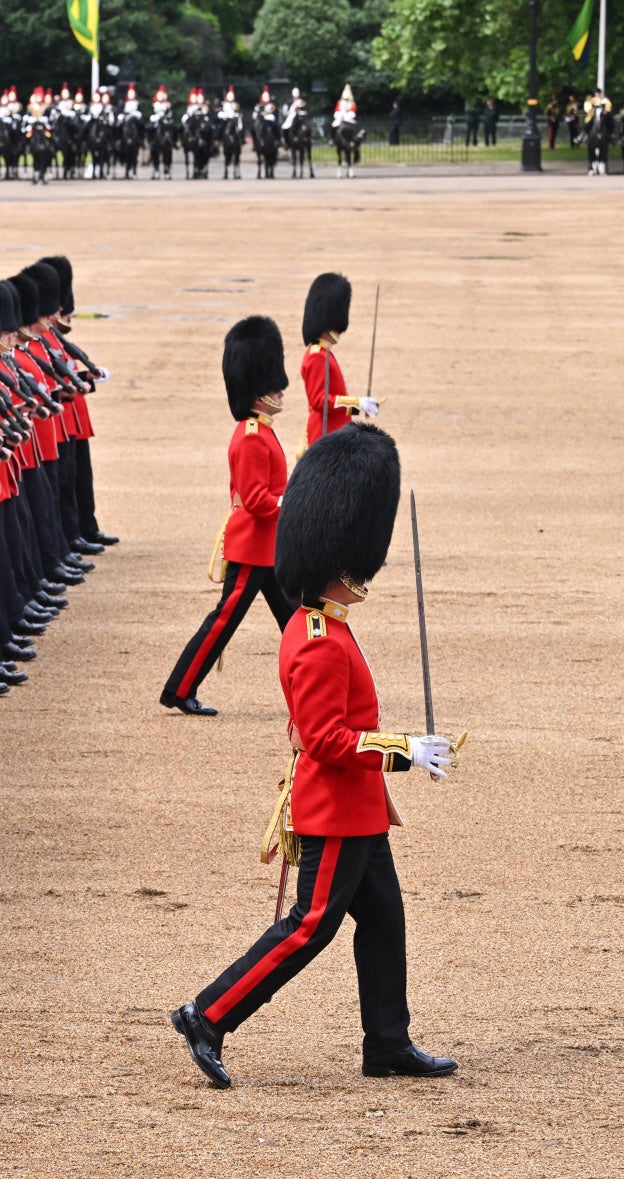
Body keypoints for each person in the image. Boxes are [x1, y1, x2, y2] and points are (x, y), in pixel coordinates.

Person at [172, 423, 461, 1089]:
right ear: (334, 571)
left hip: (358, 808)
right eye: (355, 573)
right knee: (309, 927)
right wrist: (405, 751)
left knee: (384, 920)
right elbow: (328, 739)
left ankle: (387, 1042)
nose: (363, 582)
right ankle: (208, 1014)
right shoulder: (319, 642)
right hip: (335, 810)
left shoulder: (317, 624)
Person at [160, 316, 291, 716]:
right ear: (257, 392)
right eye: (272, 388)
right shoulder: (252, 436)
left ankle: (320, 684)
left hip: (268, 548)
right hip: (253, 547)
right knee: (223, 622)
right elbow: (256, 500)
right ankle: (180, 689)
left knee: (299, 620)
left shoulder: (261, 430)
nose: (280, 392)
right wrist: (293, 504)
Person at [299, 271, 380, 448]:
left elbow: (334, 403)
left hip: (334, 435)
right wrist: (356, 402)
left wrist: (359, 407)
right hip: (325, 438)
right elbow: (320, 401)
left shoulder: (324, 354)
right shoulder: (317, 356)